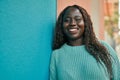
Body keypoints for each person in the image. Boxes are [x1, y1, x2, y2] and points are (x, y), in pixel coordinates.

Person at [50, 5, 120, 80]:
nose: (72, 23)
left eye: (78, 19)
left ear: (85, 23)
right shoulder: (57, 55)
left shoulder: (104, 48)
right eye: (67, 20)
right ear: (61, 25)